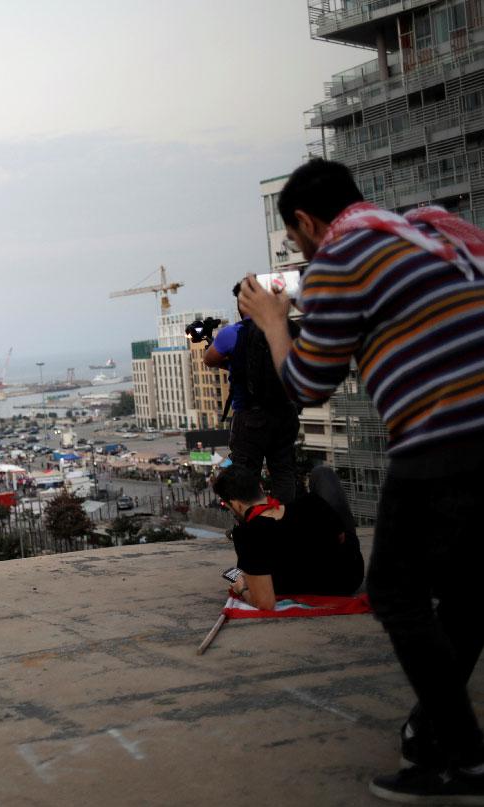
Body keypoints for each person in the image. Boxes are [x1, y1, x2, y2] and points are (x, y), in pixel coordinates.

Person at [238, 158, 484, 803]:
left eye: (295, 242)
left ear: (305, 222)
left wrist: (272, 319)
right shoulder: (432, 231)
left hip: (443, 436)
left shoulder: (340, 257)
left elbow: (308, 385)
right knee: (466, 591)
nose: (299, 254)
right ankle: (437, 738)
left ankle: (463, 757)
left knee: (396, 594)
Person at [212, 464, 363, 609]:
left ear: (235, 504)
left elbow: (265, 603)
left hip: (327, 590)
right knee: (322, 473)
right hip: (350, 576)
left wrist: (242, 588)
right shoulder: (312, 503)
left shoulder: (248, 534)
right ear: (260, 487)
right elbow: (342, 538)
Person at [203, 286, 302, 503]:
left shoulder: (233, 333)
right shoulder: (289, 329)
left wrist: (233, 364)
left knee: (245, 475)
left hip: (250, 416)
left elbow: (209, 359)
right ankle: (285, 522)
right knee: (284, 471)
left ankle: (253, 526)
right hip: (285, 412)